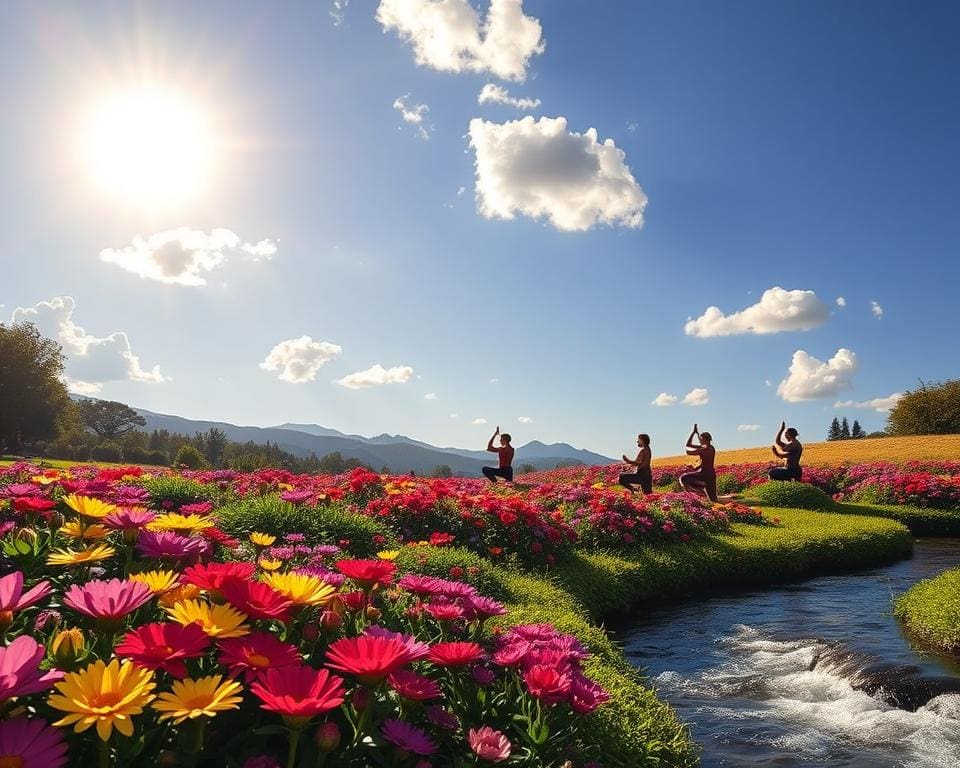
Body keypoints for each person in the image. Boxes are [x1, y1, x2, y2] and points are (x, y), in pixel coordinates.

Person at [679, 424, 717, 502]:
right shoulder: (711, 448)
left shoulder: (704, 449)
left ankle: (699, 488)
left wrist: (693, 433)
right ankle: (700, 487)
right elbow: (705, 463)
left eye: (701, 439)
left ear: (705, 440)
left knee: (683, 478)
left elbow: (688, 450)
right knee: (713, 500)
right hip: (711, 475)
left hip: (704, 474)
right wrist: (696, 468)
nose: (699, 440)